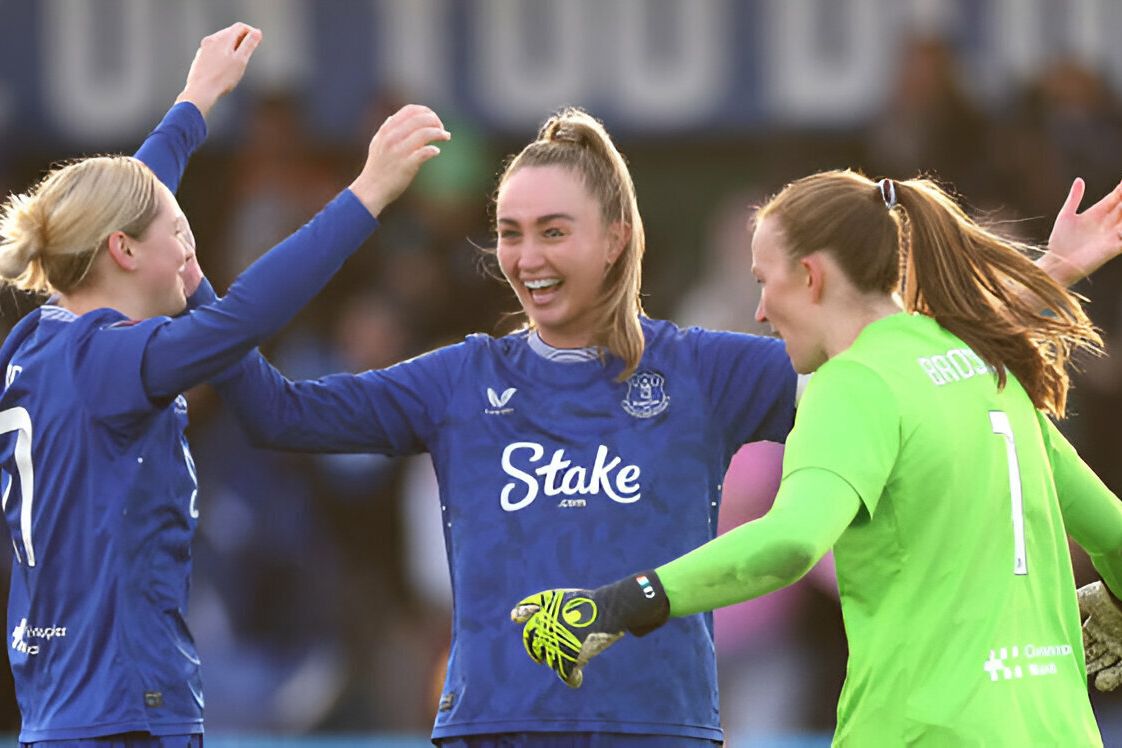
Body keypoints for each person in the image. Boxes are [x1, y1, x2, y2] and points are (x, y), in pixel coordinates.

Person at [203, 106, 1122, 745]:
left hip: (664, 730)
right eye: (509, 231)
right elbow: (272, 409)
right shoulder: (457, 380)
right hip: (495, 730)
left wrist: (1042, 279)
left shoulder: (708, 371)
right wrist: (351, 205)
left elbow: (906, 367)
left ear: (617, 238)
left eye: (553, 230)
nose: (525, 256)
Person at [509, 169, 1121, 746]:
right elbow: (1115, 536)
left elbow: (790, 543)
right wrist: (1116, 603)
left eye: (761, 281)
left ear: (809, 276)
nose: (758, 311)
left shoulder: (852, 384)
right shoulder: (989, 370)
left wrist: (617, 604)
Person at [0, 22, 449, 744]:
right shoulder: (110, 359)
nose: (192, 249)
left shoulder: (40, 339)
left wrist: (196, 99)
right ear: (122, 250)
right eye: (179, 233)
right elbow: (244, 315)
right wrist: (365, 194)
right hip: (125, 712)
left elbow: (133, 199)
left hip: (63, 707)